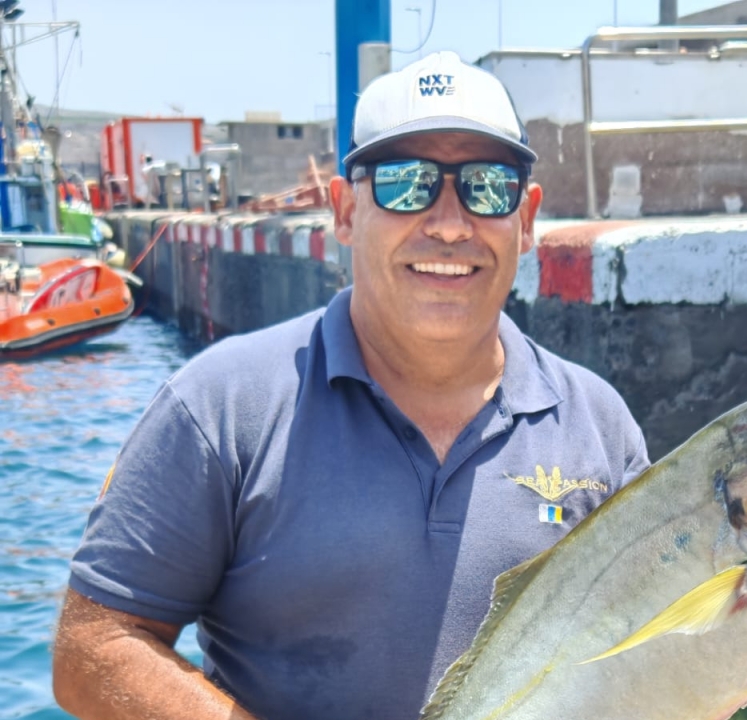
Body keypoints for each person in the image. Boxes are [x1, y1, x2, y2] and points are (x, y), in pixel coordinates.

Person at [51, 50, 650, 720]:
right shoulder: (220, 405)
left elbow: (649, 652)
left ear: (527, 216)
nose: (450, 223)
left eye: (487, 186)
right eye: (404, 184)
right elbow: (93, 645)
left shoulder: (600, 425)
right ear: (343, 211)